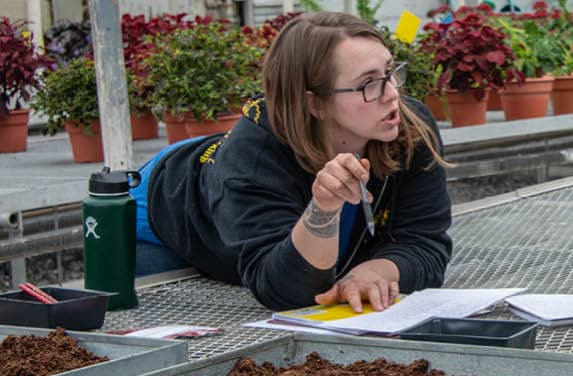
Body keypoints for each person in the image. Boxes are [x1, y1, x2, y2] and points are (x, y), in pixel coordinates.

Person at [131, 12, 453, 312]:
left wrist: (376, 271)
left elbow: (425, 243)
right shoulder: (252, 161)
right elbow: (283, 290)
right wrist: (323, 210)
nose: (392, 93)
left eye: (390, 71)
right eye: (369, 83)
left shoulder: (409, 126)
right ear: (315, 103)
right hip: (160, 209)